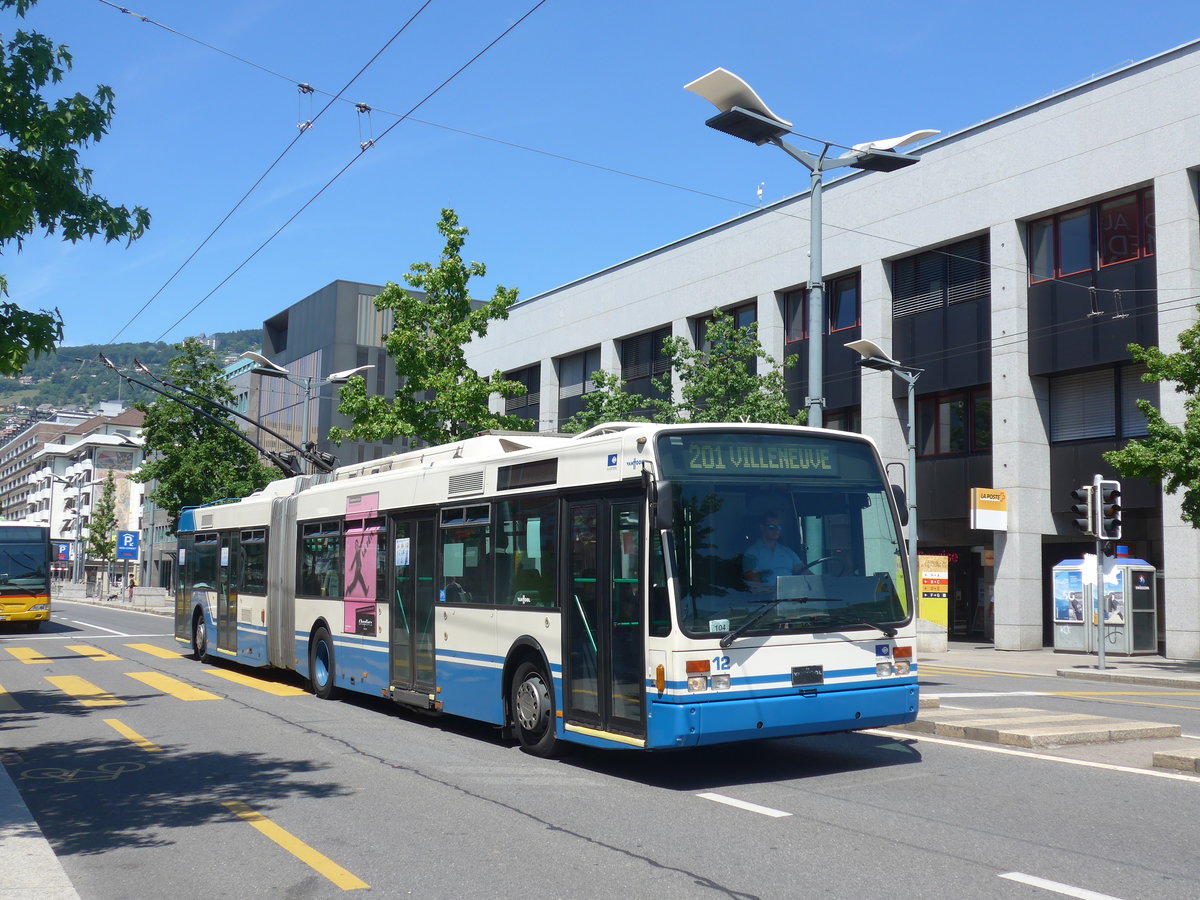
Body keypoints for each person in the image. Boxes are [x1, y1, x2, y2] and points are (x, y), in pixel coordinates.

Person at [742, 513, 806, 593]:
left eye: (778, 527)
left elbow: (805, 573)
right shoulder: (751, 553)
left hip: (793, 600)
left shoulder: (788, 552)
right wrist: (779, 591)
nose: (776, 530)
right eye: (771, 527)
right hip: (765, 603)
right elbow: (753, 586)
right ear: (762, 528)